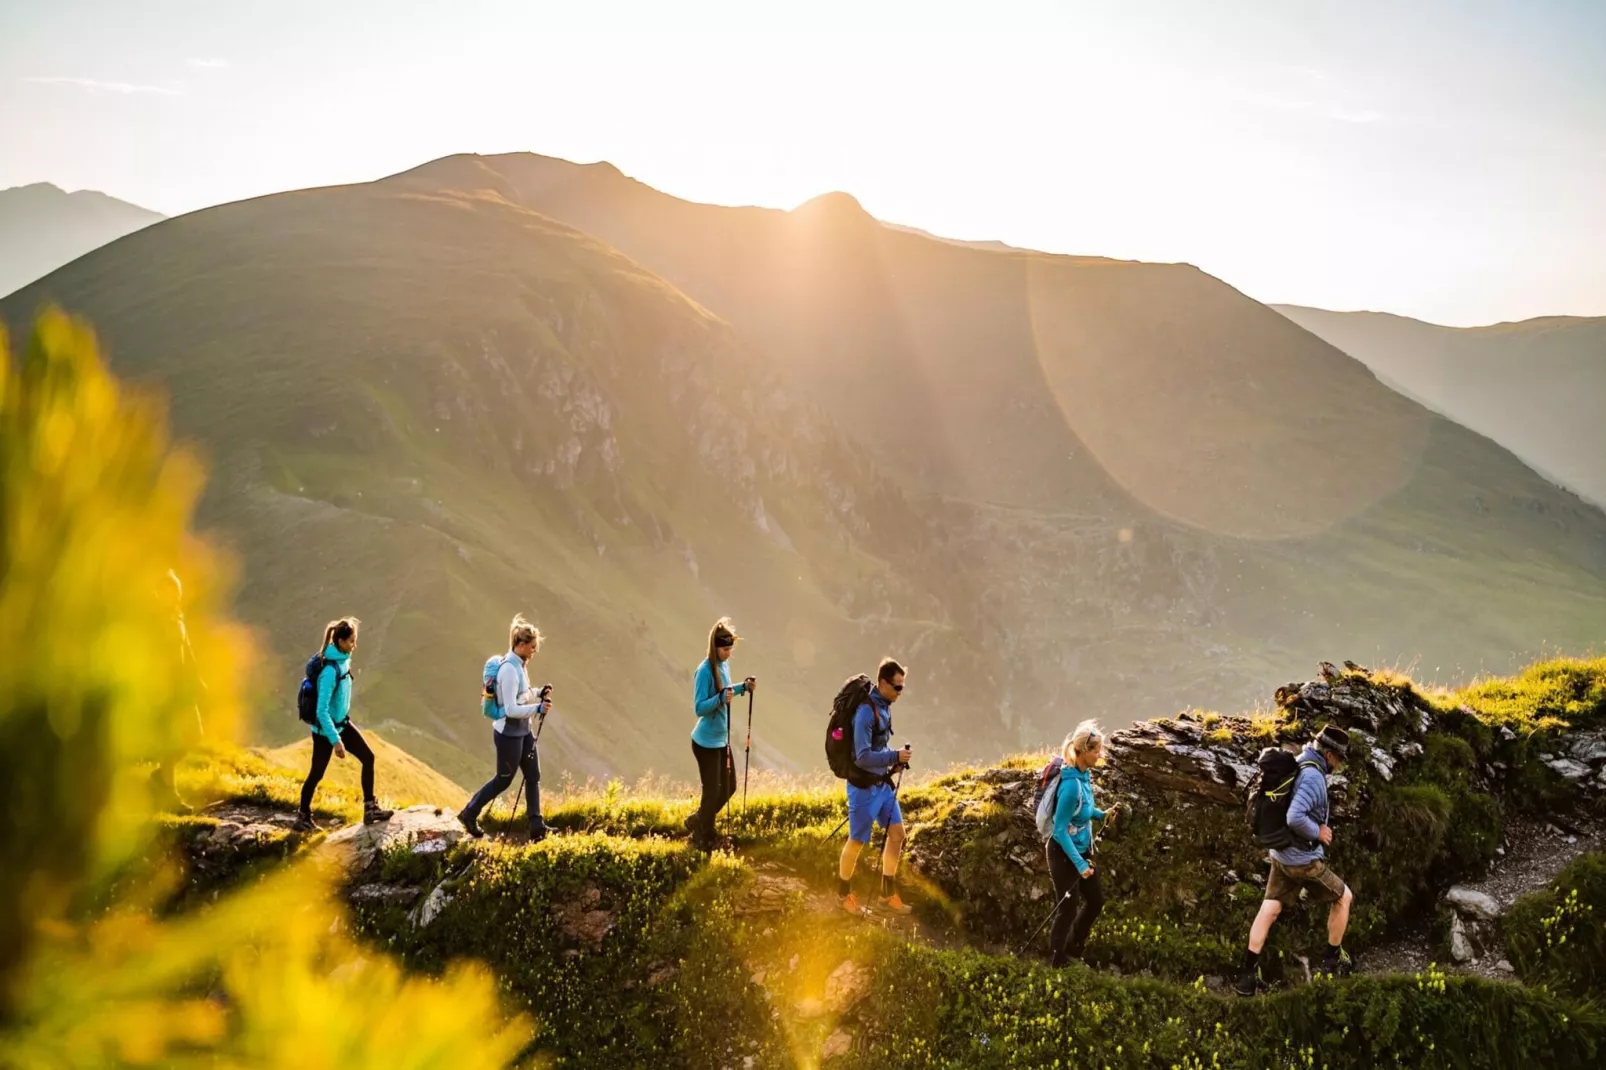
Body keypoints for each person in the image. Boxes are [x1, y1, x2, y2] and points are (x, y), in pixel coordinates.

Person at [1235, 724, 1355, 996]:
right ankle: (1332, 958)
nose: (1339, 765)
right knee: (1343, 897)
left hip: (1281, 854)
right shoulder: (1313, 777)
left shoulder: (1299, 761)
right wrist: (1319, 832)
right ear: (1329, 755)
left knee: (1270, 908)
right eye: (1339, 758)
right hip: (1302, 860)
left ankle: (1247, 975)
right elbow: (1294, 817)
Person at [458, 614, 553, 841]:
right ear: (520, 645)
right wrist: (538, 709)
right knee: (503, 779)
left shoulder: (520, 665)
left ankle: (537, 826)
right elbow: (510, 708)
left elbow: (522, 695)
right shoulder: (509, 670)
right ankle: (469, 813)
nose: (534, 651)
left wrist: (538, 692)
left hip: (522, 729)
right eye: (532, 647)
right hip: (508, 733)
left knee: (533, 775)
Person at [295, 617, 393, 831]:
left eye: (354, 640)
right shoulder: (330, 670)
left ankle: (370, 809)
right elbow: (321, 710)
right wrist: (336, 741)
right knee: (317, 773)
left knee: (368, 757)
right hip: (325, 730)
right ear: (339, 640)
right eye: (350, 641)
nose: (354, 646)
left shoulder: (343, 660)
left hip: (341, 724)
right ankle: (302, 817)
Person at [837, 658, 912, 916]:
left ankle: (886, 895)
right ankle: (842, 895)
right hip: (863, 788)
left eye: (902, 686)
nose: (900, 692)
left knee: (898, 835)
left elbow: (878, 748)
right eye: (897, 687)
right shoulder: (866, 713)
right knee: (857, 841)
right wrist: (894, 758)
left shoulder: (886, 706)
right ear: (882, 683)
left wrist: (894, 760)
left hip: (882, 785)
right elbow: (862, 756)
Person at [1045, 720, 1117, 966]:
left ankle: (1074, 946)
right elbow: (1059, 830)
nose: (1100, 754)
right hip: (1063, 852)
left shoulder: (1084, 776)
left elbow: (1084, 811)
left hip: (1081, 850)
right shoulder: (1071, 787)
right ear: (1084, 752)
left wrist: (1102, 814)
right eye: (1096, 750)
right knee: (1068, 907)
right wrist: (1079, 864)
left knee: (1096, 901)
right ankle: (1057, 959)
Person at [686, 618, 755, 850]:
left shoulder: (724, 665)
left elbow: (725, 690)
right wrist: (719, 700)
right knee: (712, 790)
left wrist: (743, 687)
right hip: (705, 742)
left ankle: (700, 822)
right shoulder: (704, 670)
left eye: (730, 650)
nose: (728, 654)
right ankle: (703, 836)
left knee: (729, 786)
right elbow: (699, 707)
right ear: (715, 647)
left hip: (721, 739)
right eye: (725, 650)